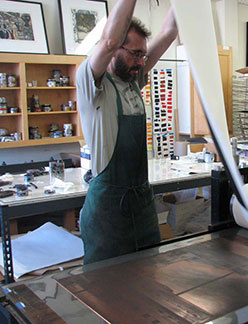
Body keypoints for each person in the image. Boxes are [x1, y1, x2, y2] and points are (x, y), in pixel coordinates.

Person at [76, 0, 178, 264]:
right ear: (114, 50)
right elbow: (109, 41)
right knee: (106, 289)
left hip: (141, 203)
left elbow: (168, 32)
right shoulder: (91, 83)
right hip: (107, 212)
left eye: (143, 54)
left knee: (148, 276)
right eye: (134, 53)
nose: (141, 61)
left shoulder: (135, 80)